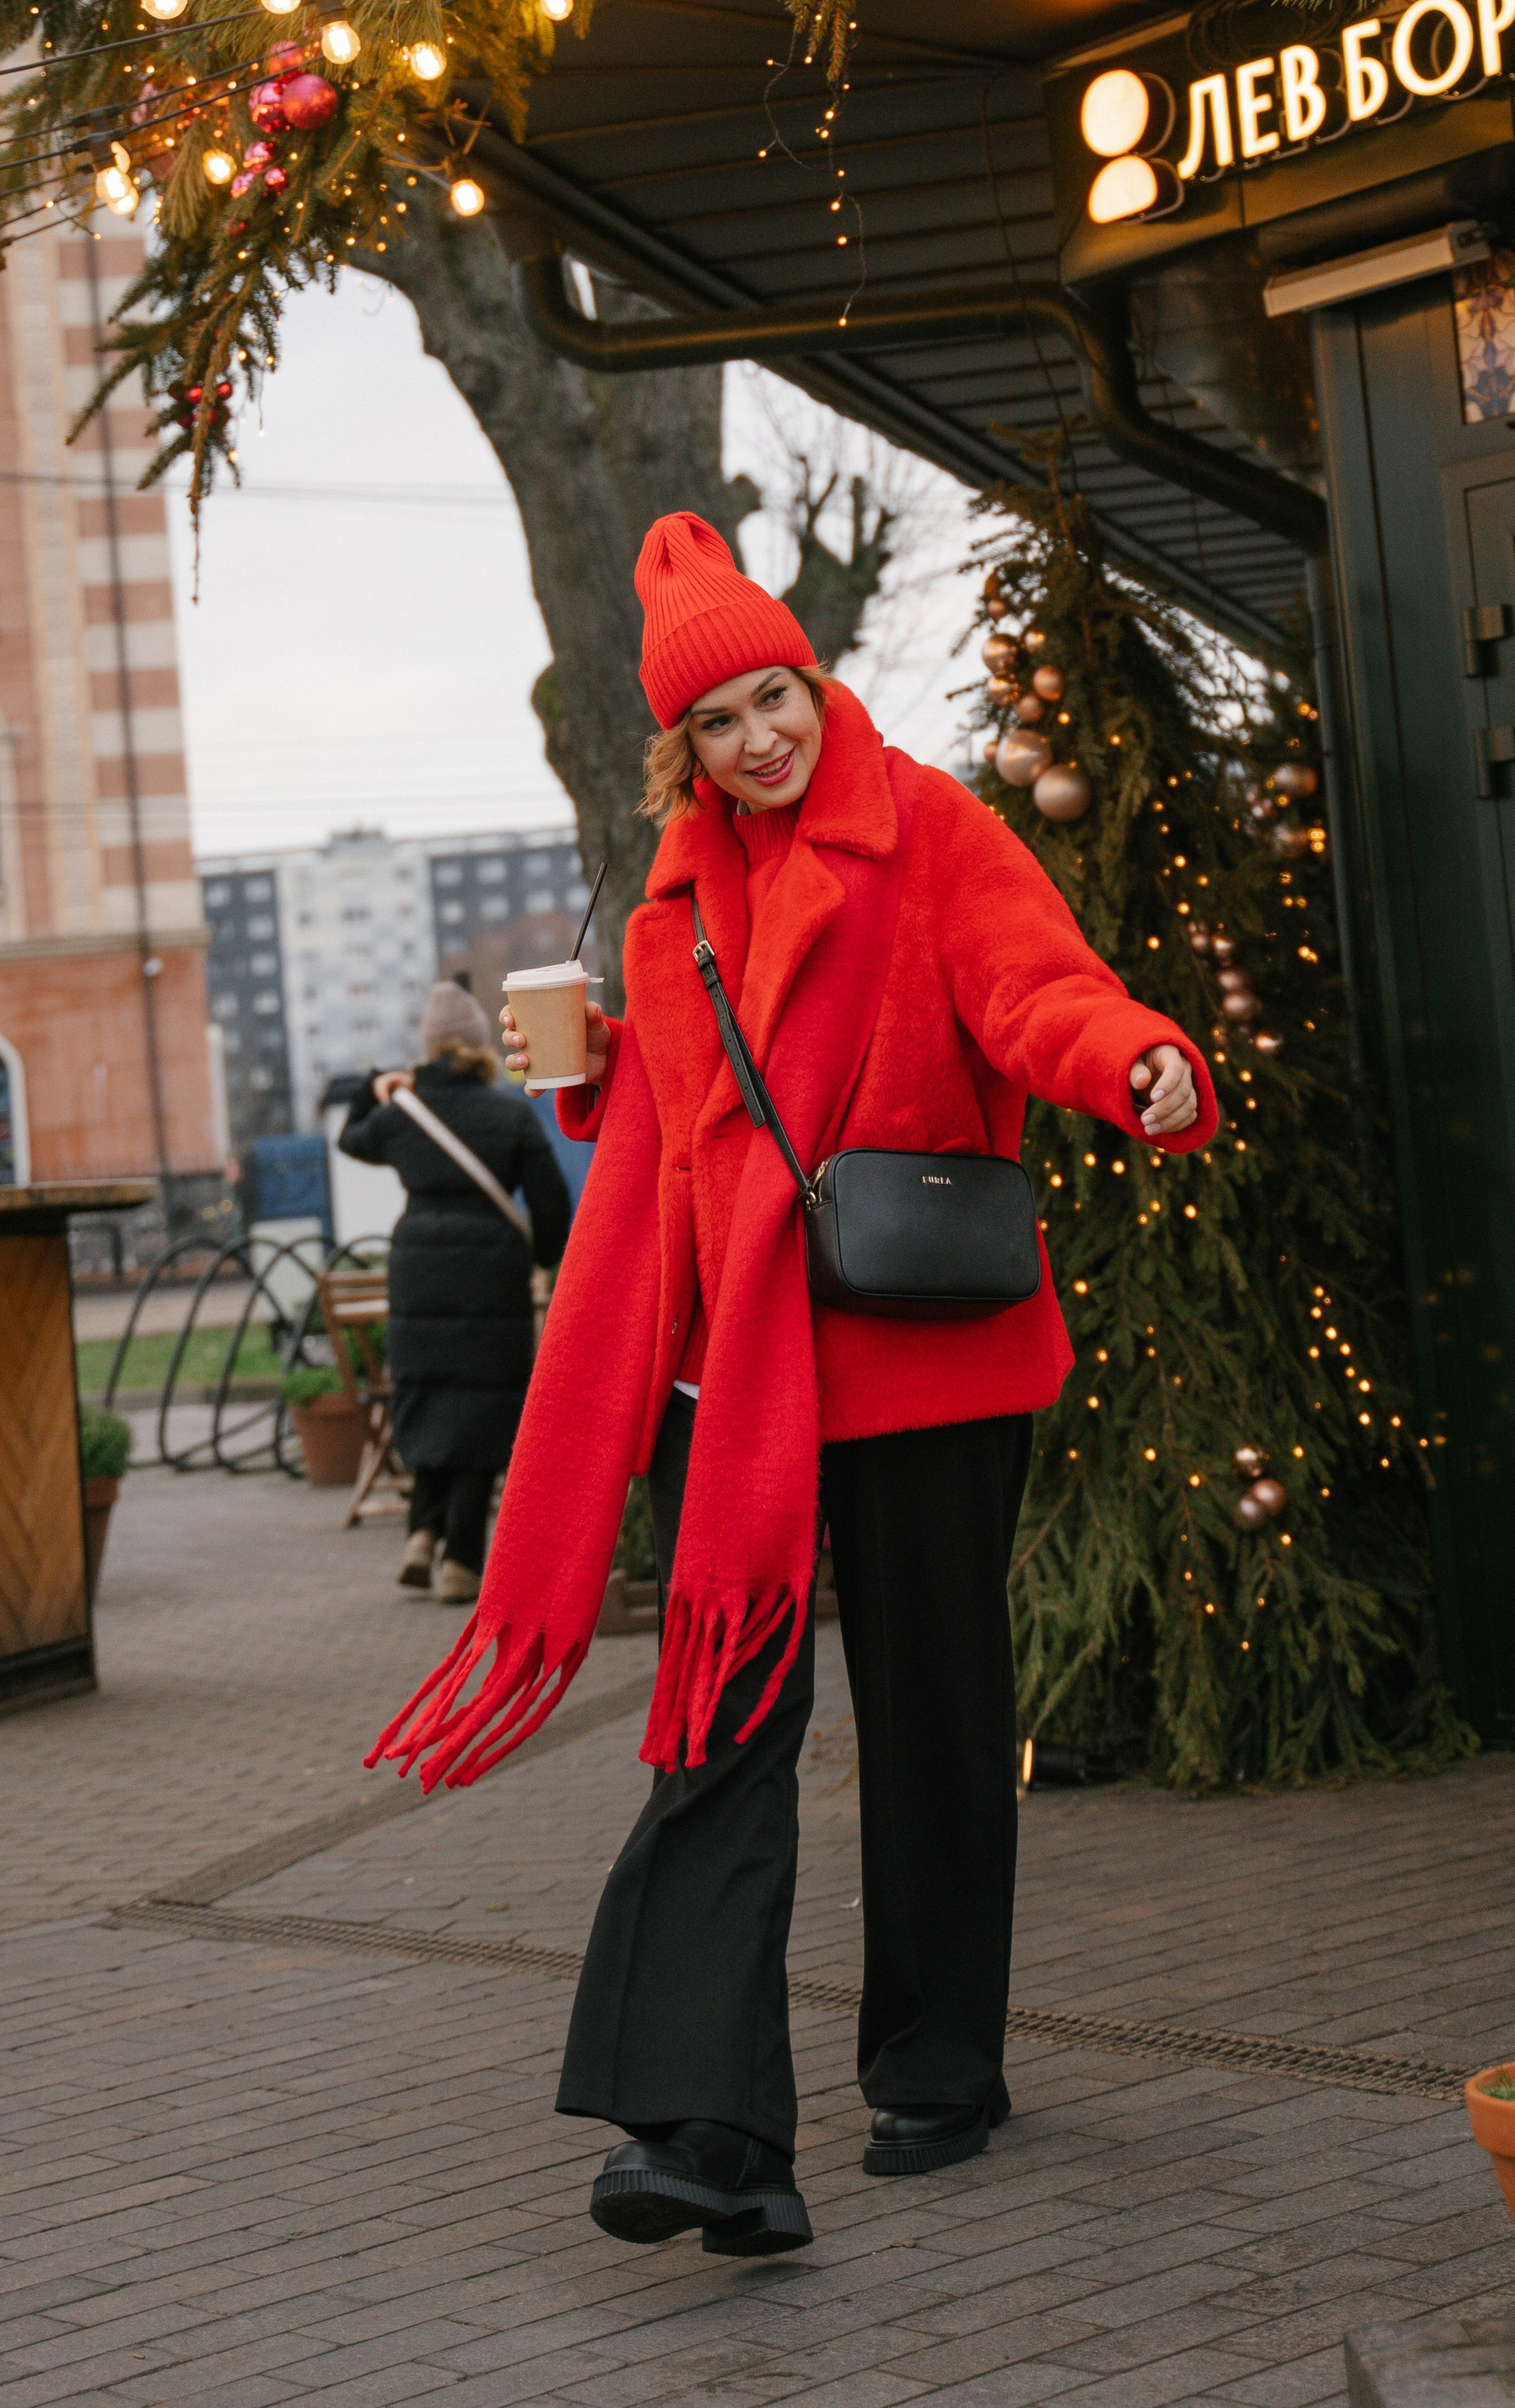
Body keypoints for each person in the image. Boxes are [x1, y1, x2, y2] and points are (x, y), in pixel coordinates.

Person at [371, 513, 1217, 2258]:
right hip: (736, 1373)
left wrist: (1133, 1059)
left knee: (933, 1717)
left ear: (815, 684)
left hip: (921, 1352)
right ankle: (709, 2127)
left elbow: (1035, 992)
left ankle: (938, 2064)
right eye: (720, 720)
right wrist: (597, 1070)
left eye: (775, 697)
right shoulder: (673, 900)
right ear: (678, 749)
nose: (760, 737)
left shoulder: (930, 827)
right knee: (721, 1723)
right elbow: (694, 1117)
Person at [338, 981, 573, 1602]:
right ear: (478, 1044)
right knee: (482, 1411)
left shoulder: (402, 1116)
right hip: (490, 1274)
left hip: (417, 1271)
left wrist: (374, 1085)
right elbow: (552, 1203)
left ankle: (421, 1534)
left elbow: (351, 1139)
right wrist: (538, 1259)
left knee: (426, 1395)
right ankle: (461, 1563)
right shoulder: (508, 1115)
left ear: (428, 1047)